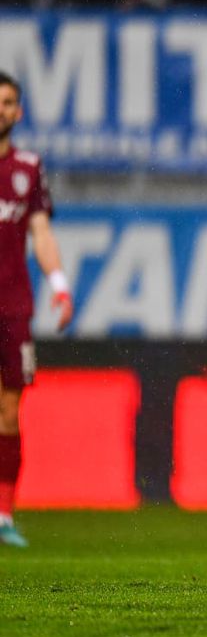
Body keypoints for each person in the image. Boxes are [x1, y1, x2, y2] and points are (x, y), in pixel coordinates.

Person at [0, 71, 73, 547]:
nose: (0, 110)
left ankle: (3, 516)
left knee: (8, 412)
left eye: (8, 102)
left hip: (11, 306)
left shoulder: (28, 167)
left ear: (19, 111)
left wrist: (59, 284)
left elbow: (41, 232)